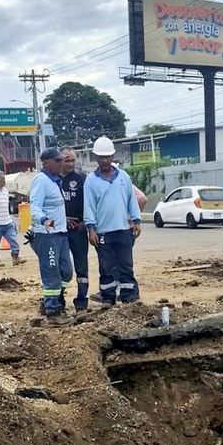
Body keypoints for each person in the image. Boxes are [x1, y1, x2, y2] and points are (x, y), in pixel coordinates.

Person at [84, 136, 142, 306]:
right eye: (101, 157)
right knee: (106, 268)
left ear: (113, 156)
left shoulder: (123, 177)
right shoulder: (91, 181)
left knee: (126, 266)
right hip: (103, 232)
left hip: (123, 230)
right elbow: (89, 206)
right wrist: (91, 229)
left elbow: (132, 200)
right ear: (96, 158)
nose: (105, 160)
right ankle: (108, 298)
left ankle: (129, 297)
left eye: (108, 156)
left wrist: (137, 220)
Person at [29, 147, 74, 325]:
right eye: (57, 160)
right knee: (51, 274)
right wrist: (44, 219)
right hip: (46, 236)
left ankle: (53, 301)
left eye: (61, 160)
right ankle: (52, 312)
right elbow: (35, 205)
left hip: (60, 234)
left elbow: (53, 206)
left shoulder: (55, 180)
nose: (61, 163)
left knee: (67, 273)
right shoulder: (41, 181)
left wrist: (63, 218)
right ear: (46, 163)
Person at [59, 147, 89, 311]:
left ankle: (82, 302)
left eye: (72, 160)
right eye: (66, 160)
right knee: (61, 268)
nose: (70, 164)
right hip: (59, 231)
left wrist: (86, 222)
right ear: (59, 160)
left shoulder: (82, 179)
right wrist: (62, 220)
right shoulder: (53, 180)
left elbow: (90, 202)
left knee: (81, 266)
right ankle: (59, 300)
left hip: (78, 230)